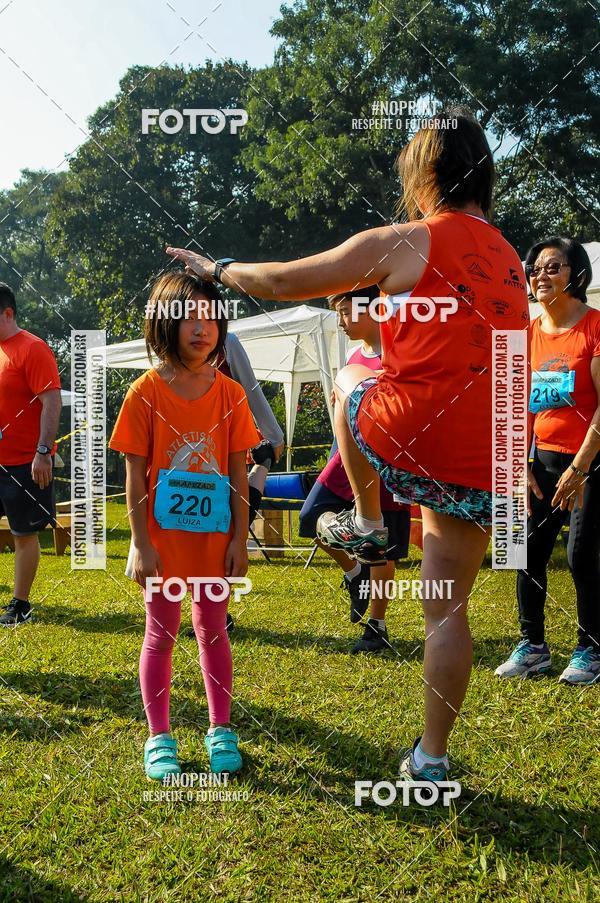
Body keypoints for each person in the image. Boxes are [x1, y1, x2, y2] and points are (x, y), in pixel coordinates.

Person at [166, 106, 530, 786]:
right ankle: (431, 757)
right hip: (491, 451)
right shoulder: (513, 259)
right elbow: (503, 360)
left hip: (412, 431)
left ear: (424, 171)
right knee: (448, 609)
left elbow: (278, 281)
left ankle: (366, 521)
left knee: (346, 379)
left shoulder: (410, 239)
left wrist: (215, 267)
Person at [109, 271, 260, 780]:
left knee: (214, 630)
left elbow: (239, 470)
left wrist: (240, 537)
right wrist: (140, 544)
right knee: (161, 634)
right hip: (163, 544)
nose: (202, 328)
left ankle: (221, 728)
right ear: (163, 324)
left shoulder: (232, 395)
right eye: (188, 317)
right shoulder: (144, 393)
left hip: (216, 541)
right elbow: (134, 475)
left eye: (210, 317)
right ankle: (159, 737)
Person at [495, 238, 600, 686]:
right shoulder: (524, 334)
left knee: (580, 556)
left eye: (553, 267)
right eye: (534, 268)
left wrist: (579, 469)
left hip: (591, 462)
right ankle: (533, 646)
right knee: (523, 550)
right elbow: (515, 407)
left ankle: (591, 649)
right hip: (540, 462)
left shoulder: (596, 327)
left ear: (576, 274)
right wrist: (519, 466)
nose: (540, 276)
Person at [299, 287, 410, 653]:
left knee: (384, 548)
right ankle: (353, 572)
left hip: (386, 460)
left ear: (375, 308)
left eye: (348, 312)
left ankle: (376, 626)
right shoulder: (353, 356)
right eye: (339, 313)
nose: (343, 321)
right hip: (345, 458)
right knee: (311, 516)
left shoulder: (400, 353)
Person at [184, 332, 285, 637]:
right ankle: (209, 607)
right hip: (186, 451)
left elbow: (251, 389)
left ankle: (216, 611)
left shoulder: (228, 342)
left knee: (224, 530)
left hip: (227, 450)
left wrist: (273, 435)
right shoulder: (172, 338)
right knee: (193, 532)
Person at [0, 283, 62, 627]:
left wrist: (43, 452)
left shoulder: (33, 348)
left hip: (25, 462)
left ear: (8, 313)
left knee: (24, 534)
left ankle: (20, 605)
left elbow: (51, 402)